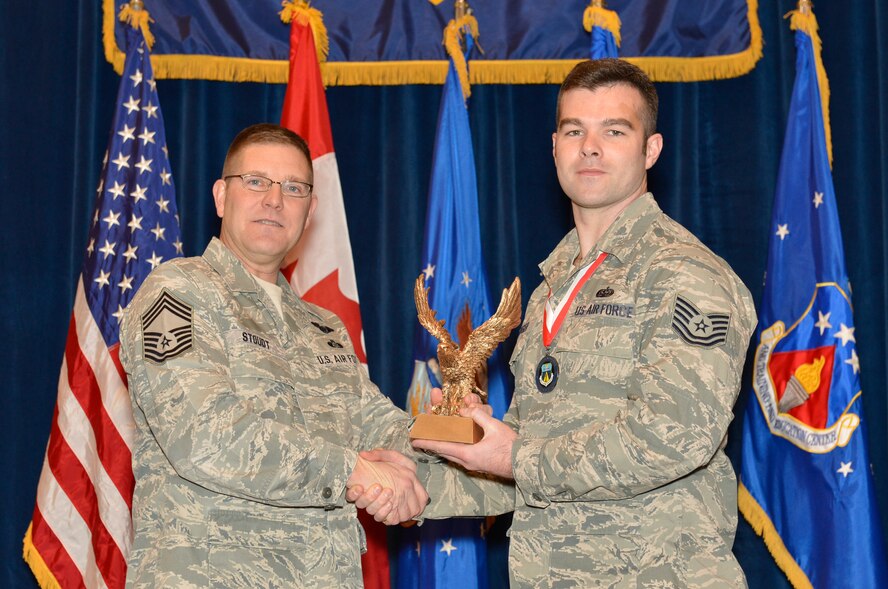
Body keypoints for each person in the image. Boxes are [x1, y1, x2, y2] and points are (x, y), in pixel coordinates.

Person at [369, 58, 757, 587]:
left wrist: (516, 454)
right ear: (555, 147)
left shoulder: (684, 274)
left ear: (651, 150)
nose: (590, 147)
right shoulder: (554, 285)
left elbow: (674, 436)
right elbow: (524, 467)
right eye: (575, 130)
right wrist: (410, 477)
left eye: (614, 131)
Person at [119, 123, 429, 588]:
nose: (274, 200)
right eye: (257, 181)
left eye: (294, 188)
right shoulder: (178, 293)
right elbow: (205, 436)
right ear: (222, 197)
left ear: (311, 210)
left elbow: (377, 425)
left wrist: (454, 437)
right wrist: (353, 469)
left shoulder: (323, 327)